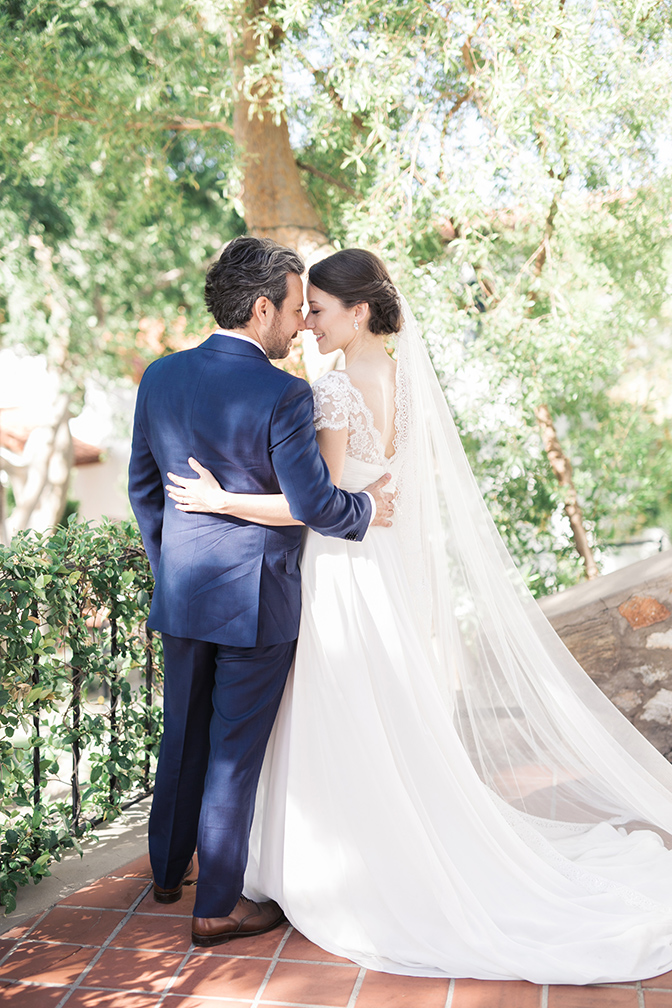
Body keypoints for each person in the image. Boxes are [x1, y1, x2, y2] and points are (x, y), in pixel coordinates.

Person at [165, 247, 672, 983]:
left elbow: (319, 505)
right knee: (380, 708)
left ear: (359, 310)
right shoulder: (403, 378)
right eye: (303, 309)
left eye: (320, 310)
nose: (307, 323)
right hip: (385, 564)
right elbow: (391, 492)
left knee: (338, 712)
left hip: (343, 567)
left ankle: (337, 862)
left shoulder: (334, 391)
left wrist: (220, 501)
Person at [128, 237, 394, 949]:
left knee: (181, 734)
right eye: (294, 306)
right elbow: (314, 502)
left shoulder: (159, 376)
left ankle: (165, 871)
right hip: (258, 602)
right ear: (260, 306)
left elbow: (144, 491)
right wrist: (368, 510)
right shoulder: (284, 394)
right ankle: (216, 906)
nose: (300, 322)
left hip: (184, 595)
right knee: (232, 754)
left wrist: (173, 568)